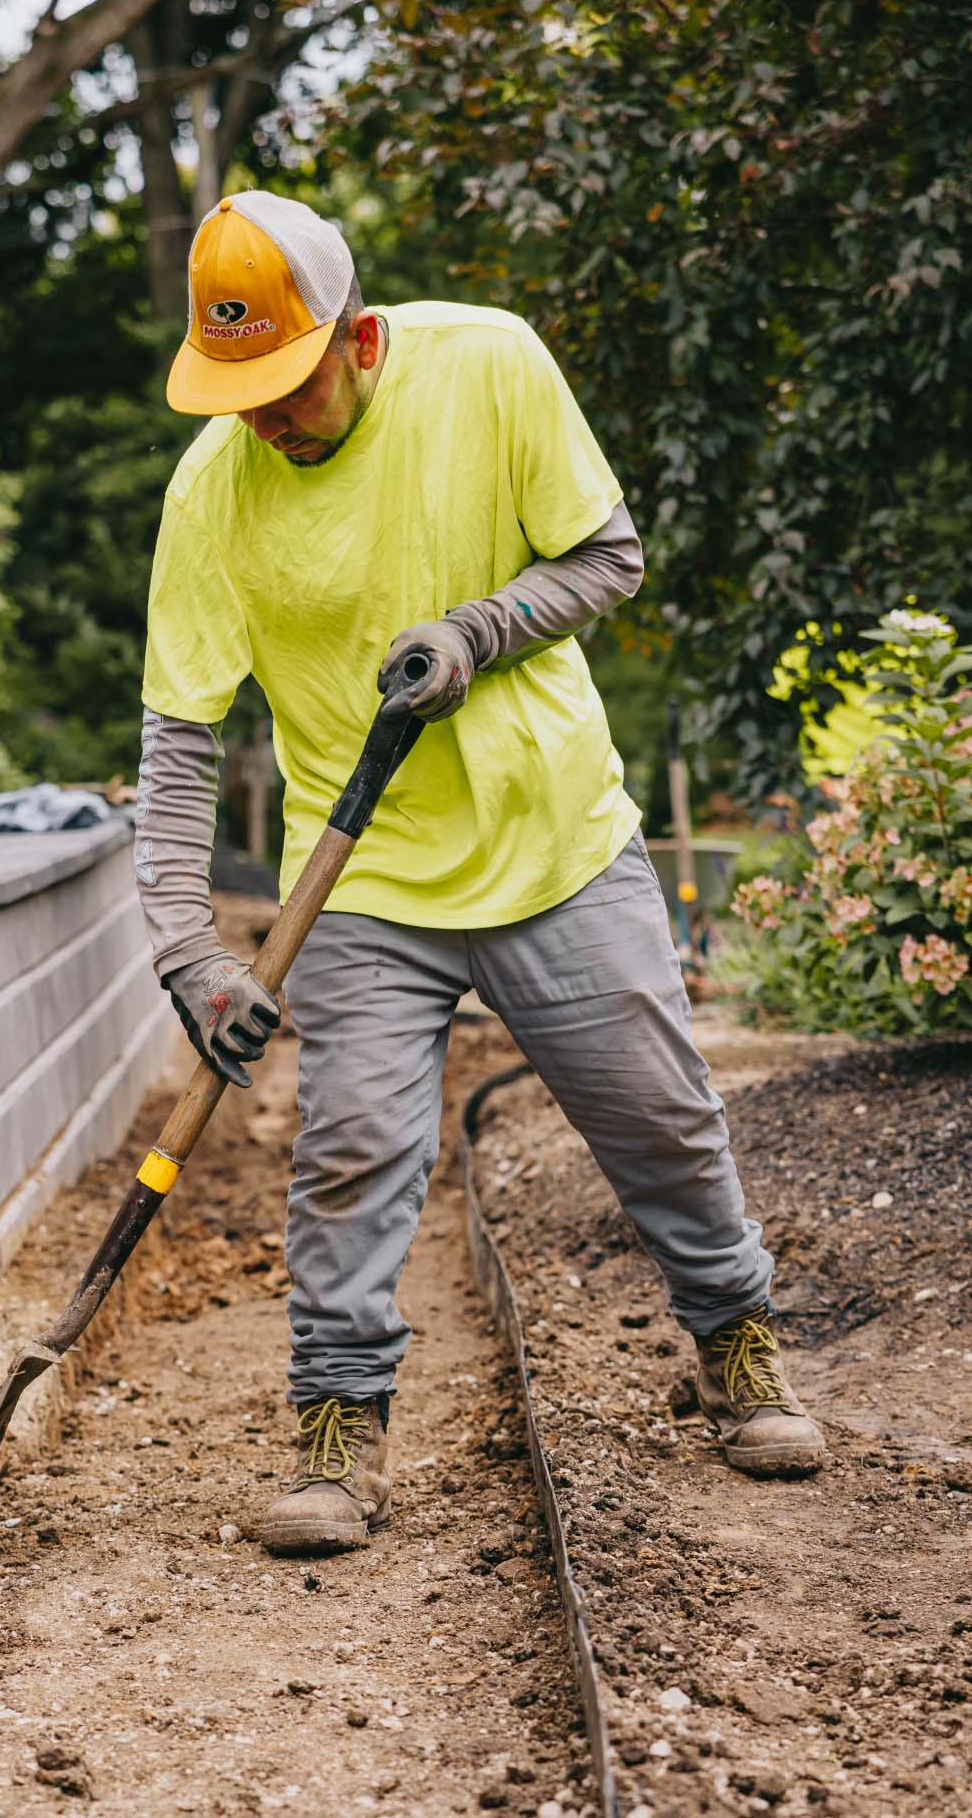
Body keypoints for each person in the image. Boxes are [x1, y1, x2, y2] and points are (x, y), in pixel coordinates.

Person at [135, 191, 825, 1557]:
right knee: (350, 1155)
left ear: (363, 338)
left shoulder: (492, 363)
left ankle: (736, 1341)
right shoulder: (212, 486)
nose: (265, 416)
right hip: (366, 878)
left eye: (289, 380)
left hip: (553, 838)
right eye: (240, 390)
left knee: (659, 1114)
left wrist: (481, 630)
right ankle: (339, 1426)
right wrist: (187, 949)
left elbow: (609, 555)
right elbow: (177, 741)